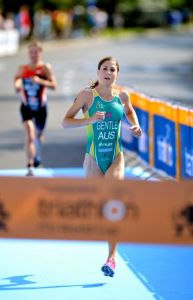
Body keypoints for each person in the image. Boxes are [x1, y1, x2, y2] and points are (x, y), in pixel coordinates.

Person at [62, 56, 141, 277]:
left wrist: (135, 126)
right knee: (98, 207)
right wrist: (89, 120)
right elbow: (65, 122)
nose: (108, 72)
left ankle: (112, 259)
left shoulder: (122, 95)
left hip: (116, 157)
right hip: (93, 158)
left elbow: (129, 111)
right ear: (98, 72)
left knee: (113, 205)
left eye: (112, 69)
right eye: (104, 69)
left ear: (117, 74)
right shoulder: (87, 96)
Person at [14, 41, 57, 176]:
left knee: (38, 135)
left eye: (36, 52)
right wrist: (18, 85)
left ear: (40, 52)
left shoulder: (45, 68)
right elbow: (17, 80)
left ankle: (37, 154)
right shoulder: (23, 68)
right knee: (30, 134)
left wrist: (40, 81)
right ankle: (30, 163)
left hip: (41, 107)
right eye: (31, 52)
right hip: (26, 106)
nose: (33, 55)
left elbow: (54, 85)